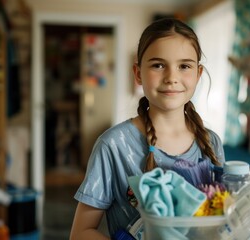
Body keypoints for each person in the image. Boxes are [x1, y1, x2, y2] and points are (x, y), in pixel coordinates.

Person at [70, 18, 225, 240]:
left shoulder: (212, 143)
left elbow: (218, 223)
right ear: (138, 74)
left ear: (198, 74)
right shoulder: (113, 146)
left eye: (184, 66)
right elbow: (80, 233)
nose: (172, 78)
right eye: (158, 65)